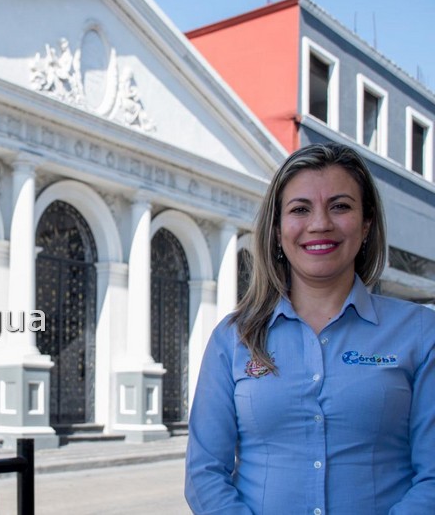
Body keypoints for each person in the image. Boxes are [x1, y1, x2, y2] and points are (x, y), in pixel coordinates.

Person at [184, 143, 435, 514]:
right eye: (300, 209)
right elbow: (204, 474)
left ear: (366, 224)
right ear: (277, 230)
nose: (320, 223)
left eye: (340, 206)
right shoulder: (233, 338)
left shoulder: (420, 332)